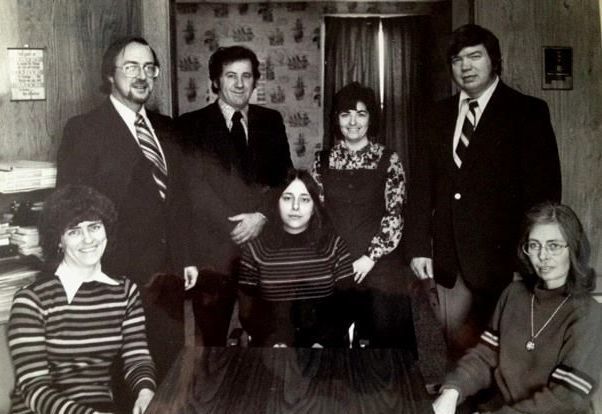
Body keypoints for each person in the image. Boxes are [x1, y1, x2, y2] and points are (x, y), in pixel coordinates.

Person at [404, 24, 562, 359]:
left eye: (475, 56)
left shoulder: (527, 112)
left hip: (506, 265)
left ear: (495, 61)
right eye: (457, 59)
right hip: (449, 265)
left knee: (505, 358)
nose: (466, 66)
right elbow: (421, 187)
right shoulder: (436, 115)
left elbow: (545, 195)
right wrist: (419, 246)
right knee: (458, 358)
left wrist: (530, 257)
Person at [56, 36, 197, 379]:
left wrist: (187, 256)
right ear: (110, 75)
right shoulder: (84, 129)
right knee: (126, 378)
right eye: (131, 66)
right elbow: (71, 208)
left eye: (149, 67)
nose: (142, 75)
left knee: (168, 372)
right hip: (116, 278)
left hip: (169, 279)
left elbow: (181, 201)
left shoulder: (169, 130)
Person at [432, 202, 602, 414]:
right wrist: (453, 390)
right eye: (534, 245)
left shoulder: (590, 315)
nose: (543, 256)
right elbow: (484, 357)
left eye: (554, 245)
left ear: (573, 248)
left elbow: (563, 400)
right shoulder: (513, 294)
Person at [178, 45, 292, 346]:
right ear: (216, 81)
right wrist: (235, 226)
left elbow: (285, 180)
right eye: (231, 76)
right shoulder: (190, 126)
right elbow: (193, 187)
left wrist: (262, 217)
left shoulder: (271, 121)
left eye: (247, 76)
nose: (240, 84)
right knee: (211, 346)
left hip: (262, 251)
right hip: (213, 253)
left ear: (255, 80)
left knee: (266, 340)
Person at [8, 185, 156, 414]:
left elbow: (136, 356)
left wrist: (146, 392)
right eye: (74, 231)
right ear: (59, 240)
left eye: (95, 227)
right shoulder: (31, 301)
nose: (88, 240)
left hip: (101, 407)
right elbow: (34, 389)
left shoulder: (125, 291)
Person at [311, 82, 413, 349]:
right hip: (335, 261)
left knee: (383, 330)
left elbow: (395, 213)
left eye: (361, 113)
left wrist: (370, 257)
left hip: (379, 263)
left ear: (371, 118)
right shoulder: (321, 161)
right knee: (324, 333)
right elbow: (317, 217)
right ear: (336, 119)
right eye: (345, 114)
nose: (353, 122)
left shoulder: (389, 159)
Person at [237, 170, 354, 347]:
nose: (295, 207)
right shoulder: (255, 249)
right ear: (276, 202)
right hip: (274, 350)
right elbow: (248, 312)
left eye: (305, 199)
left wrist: (322, 342)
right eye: (288, 198)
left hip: (324, 349)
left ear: (315, 206)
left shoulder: (334, 245)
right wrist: (275, 340)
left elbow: (346, 306)